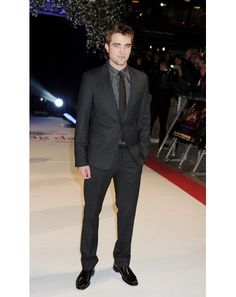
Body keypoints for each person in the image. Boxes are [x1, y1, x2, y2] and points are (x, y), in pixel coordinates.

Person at [74, 23, 150, 290]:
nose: (122, 51)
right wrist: (82, 159)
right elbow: (82, 121)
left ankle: (122, 261)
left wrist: (142, 153)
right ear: (107, 47)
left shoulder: (140, 79)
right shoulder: (91, 78)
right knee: (91, 213)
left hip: (130, 158)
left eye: (127, 45)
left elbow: (143, 119)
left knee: (127, 212)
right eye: (116, 45)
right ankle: (87, 265)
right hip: (98, 157)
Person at [150, 61, 174, 145]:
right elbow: (172, 90)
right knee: (163, 123)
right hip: (165, 103)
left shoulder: (155, 75)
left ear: (161, 66)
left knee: (151, 121)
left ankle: (144, 140)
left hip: (155, 101)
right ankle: (162, 142)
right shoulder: (171, 76)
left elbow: (151, 88)